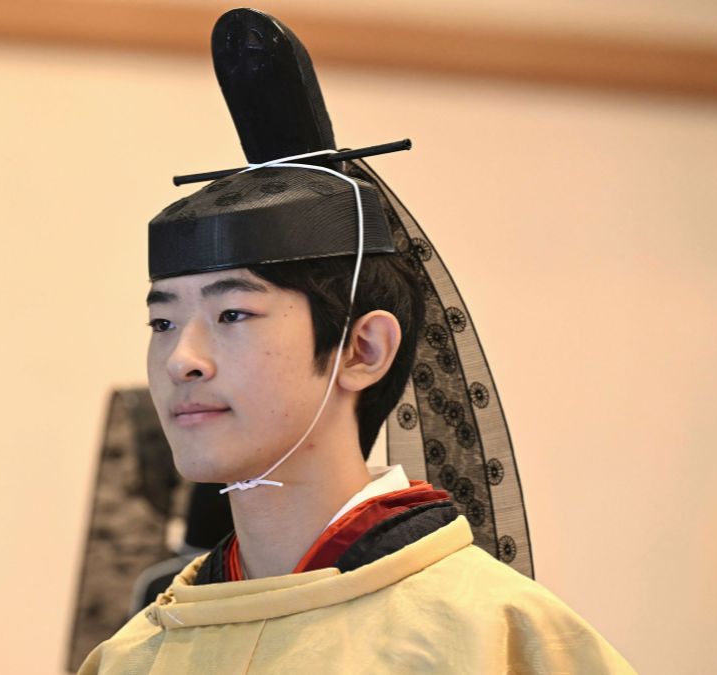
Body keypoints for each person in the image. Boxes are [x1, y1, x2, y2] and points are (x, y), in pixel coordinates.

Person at [77, 8, 636, 674]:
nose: (181, 360)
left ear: (363, 348)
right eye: (162, 323)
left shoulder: (497, 638)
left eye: (232, 314)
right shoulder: (136, 653)